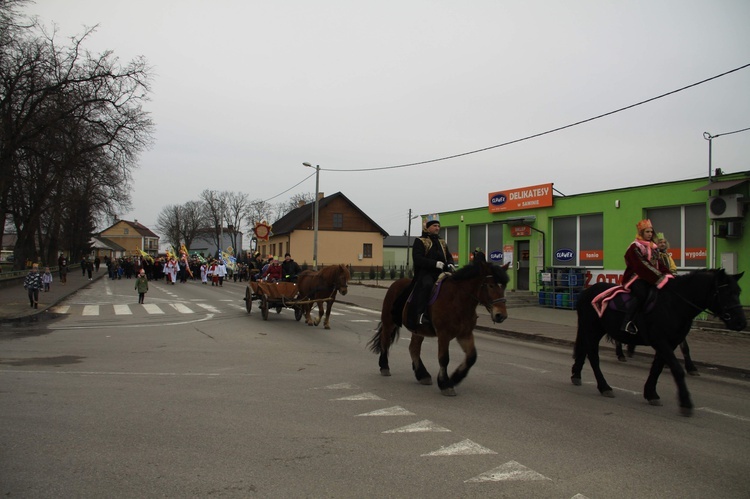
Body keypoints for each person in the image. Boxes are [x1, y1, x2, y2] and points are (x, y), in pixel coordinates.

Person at [621, 219, 672, 334]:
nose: (650, 234)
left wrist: (669, 275)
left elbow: (660, 264)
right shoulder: (634, 247)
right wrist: (660, 277)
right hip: (636, 278)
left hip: (651, 277)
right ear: (641, 233)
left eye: (651, 232)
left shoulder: (653, 247)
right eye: (647, 232)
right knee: (642, 294)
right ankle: (628, 322)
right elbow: (641, 265)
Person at [407, 218, 455, 329]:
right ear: (427, 227)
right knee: (427, 285)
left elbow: (448, 256)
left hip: (442, 272)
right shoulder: (420, 241)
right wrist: (434, 264)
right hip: (426, 273)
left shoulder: (442, 241)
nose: (437, 228)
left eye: (438, 226)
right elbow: (417, 258)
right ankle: (420, 314)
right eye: (434, 226)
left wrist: (451, 263)